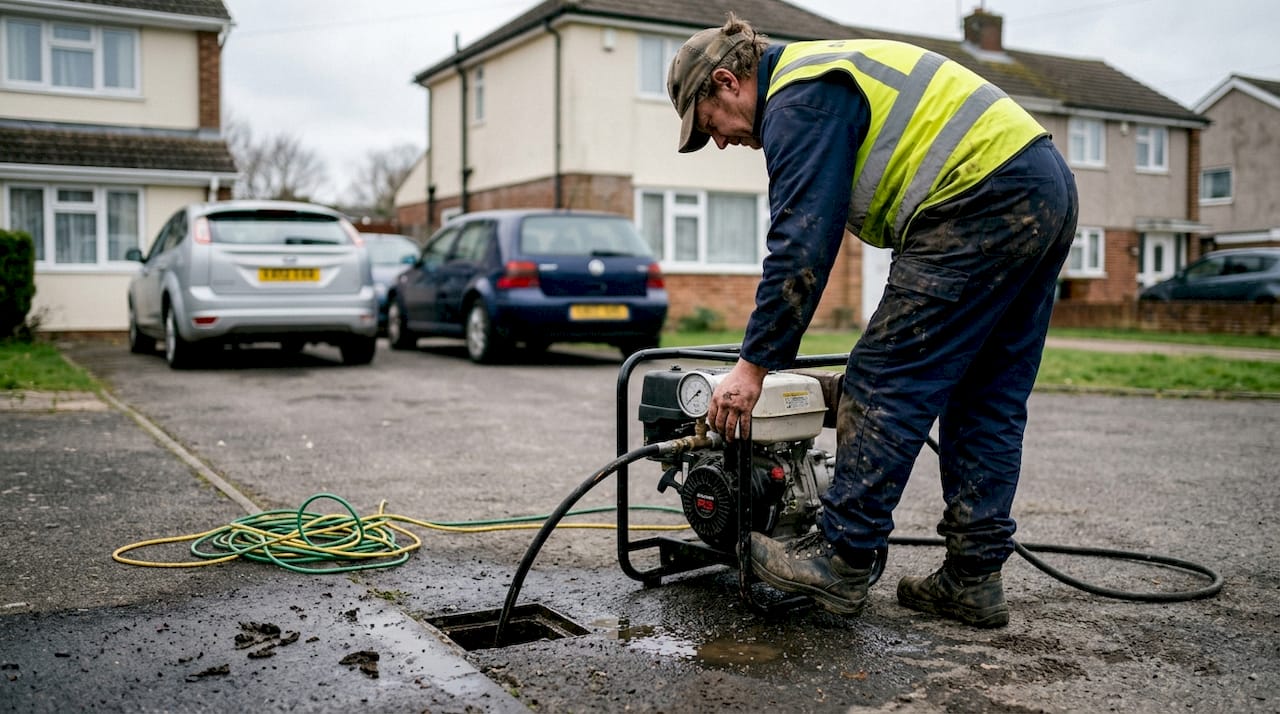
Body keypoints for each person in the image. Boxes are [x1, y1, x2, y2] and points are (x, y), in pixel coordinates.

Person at [666, 14, 1078, 628]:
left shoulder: (798, 98)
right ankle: (972, 578)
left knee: (884, 377)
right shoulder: (821, 76)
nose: (721, 142)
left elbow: (801, 245)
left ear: (727, 83)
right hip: (1042, 184)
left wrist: (752, 369)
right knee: (985, 394)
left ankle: (842, 557)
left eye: (710, 126)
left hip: (980, 195)